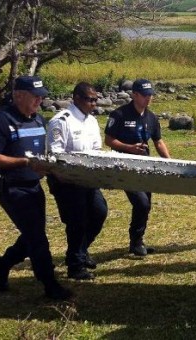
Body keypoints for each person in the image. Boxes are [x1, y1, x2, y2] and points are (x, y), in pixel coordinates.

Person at [0, 75, 72, 300]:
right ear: (18, 95)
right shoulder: (1, 120)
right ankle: (49, 284)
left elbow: (41, 153)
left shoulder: (39, 120)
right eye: (35, 96)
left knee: (32, 234)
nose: (39, 101)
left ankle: (2, 264)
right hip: (12, 187)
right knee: (37, 237)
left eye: (41, 97)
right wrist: (23, 162)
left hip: (34, 185)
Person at [47, 82, 108, 280]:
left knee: (99, 212)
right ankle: (75, 265)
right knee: (77, 221)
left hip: (88, 179)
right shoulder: (61, 121)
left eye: (96, 99)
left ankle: (80, 251)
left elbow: (96, 150)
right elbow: (56, 155)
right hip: (67, 180)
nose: (94, 103)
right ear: (77, 98)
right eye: (90, 99)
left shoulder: (91, 121)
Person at [104, 79, 171, 256]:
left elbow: (158, 141)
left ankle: (137, 241)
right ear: (134, 95)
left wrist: (170, 162)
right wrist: (129, 148)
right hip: (125, 166)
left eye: (151, 95)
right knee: (140, 202)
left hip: (145, 166)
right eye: (145, 95)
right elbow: (109, 140)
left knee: (146, 204)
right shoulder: (119, 115)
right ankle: (135, 241)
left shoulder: (151, 117)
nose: (149, 99)